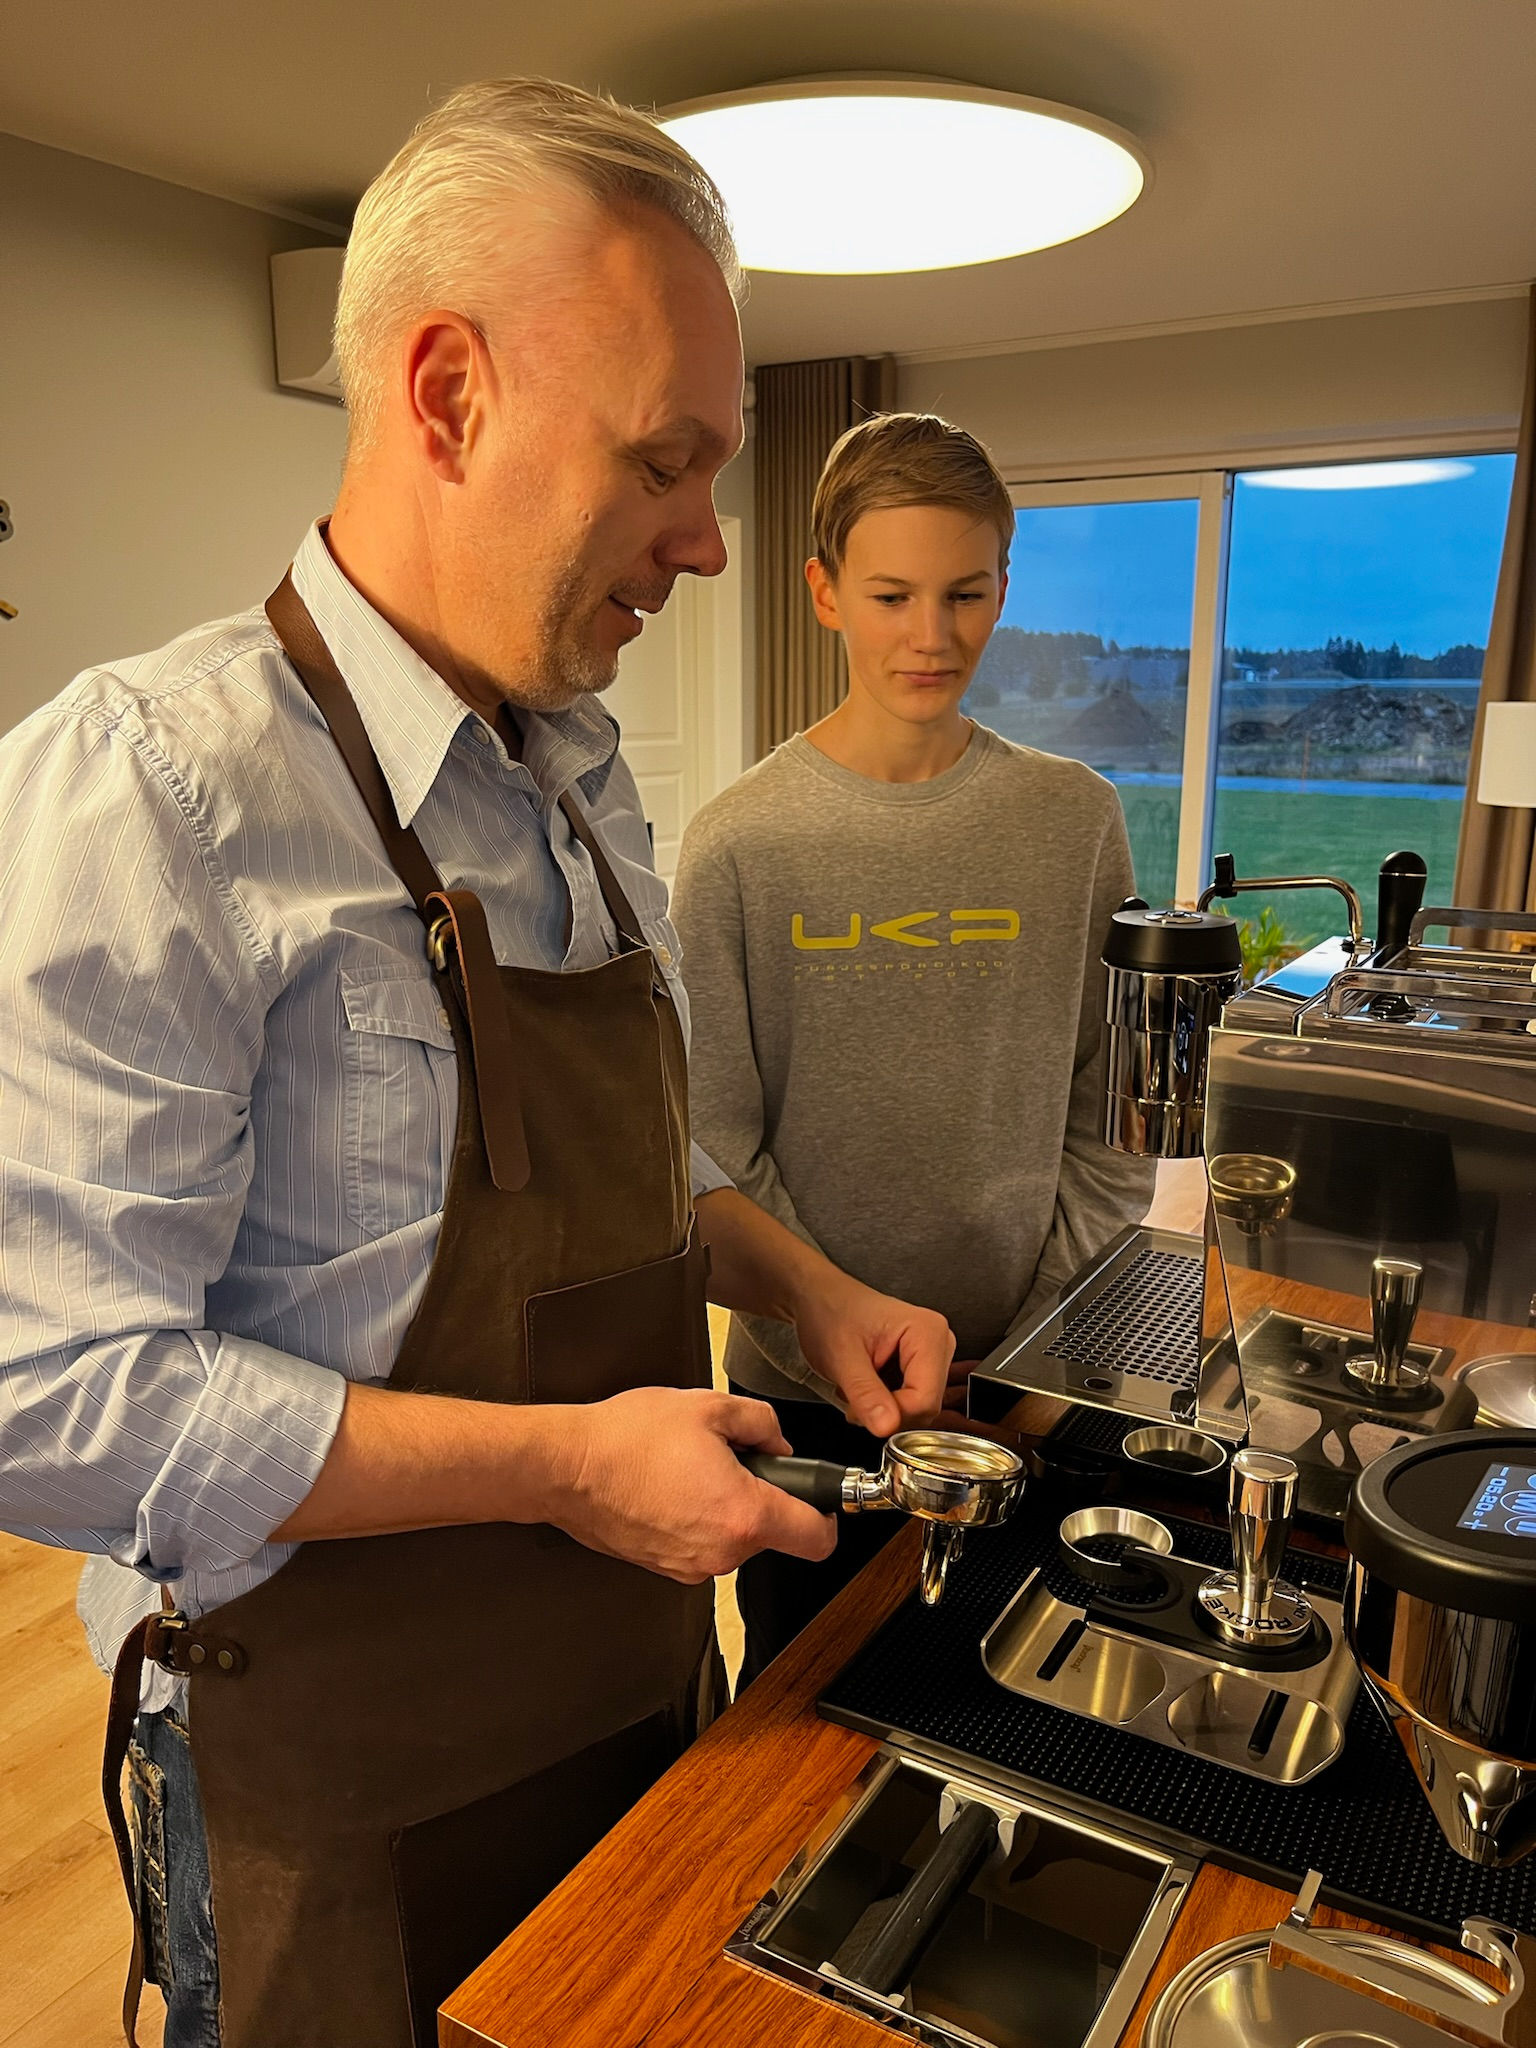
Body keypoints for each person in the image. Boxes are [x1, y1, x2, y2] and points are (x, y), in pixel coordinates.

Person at [0, 83, 954, 2048]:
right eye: (666, 461)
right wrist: (561, 1466)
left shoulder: (582, 771)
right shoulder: (153, 791)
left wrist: (802, 1283)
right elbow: (49, 1398)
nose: (706, 541)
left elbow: (616, 1166)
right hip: (327, 1758)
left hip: (627, 1687)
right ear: (444, 396)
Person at [671, 411, 1156, 1682]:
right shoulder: (738, 845)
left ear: (1005, 588)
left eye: (965, 593)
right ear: (826, 591)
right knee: (814, 1712)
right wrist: (842, 1330)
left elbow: (1108, 1116)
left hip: (1033, 1382)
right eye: (891, 594)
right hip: (804, 1401)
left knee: (1028, 1711)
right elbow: (713, 1147)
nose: (930, 636)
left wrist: (1041, 1351)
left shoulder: (1074, 822)